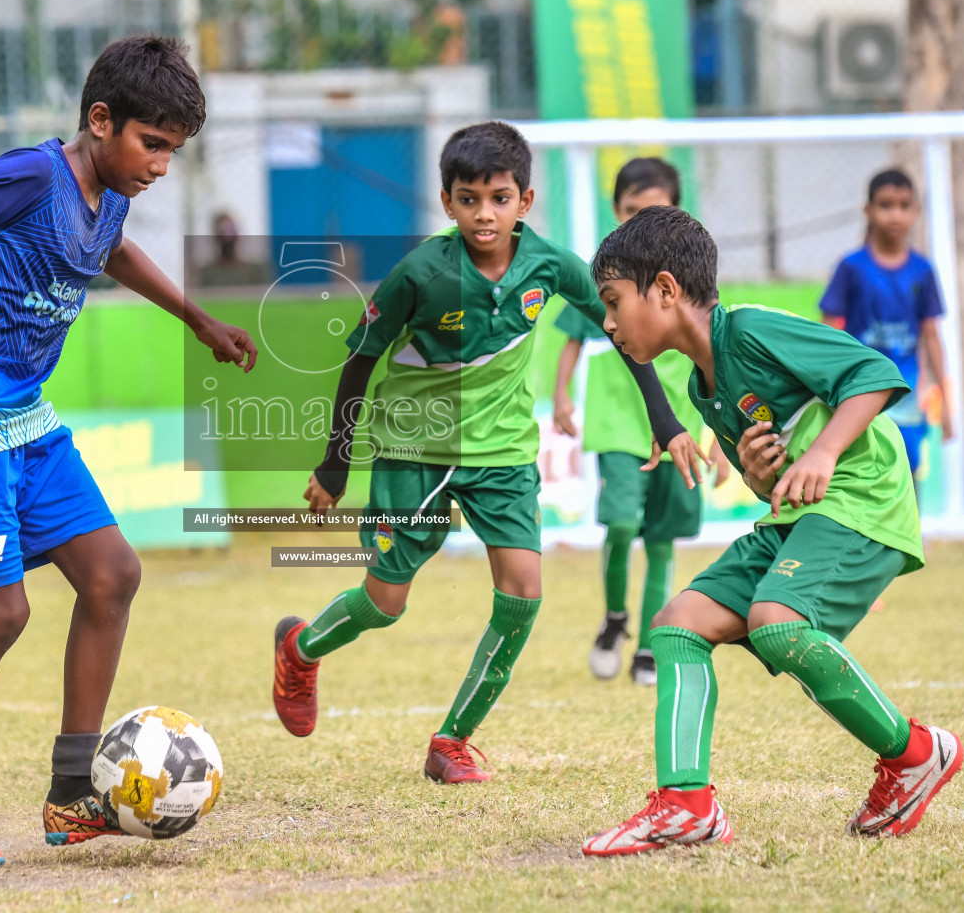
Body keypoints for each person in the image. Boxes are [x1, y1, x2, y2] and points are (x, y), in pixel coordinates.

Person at [0, 36, 256, 870]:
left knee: (113, 573)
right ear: (99, 120)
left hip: (21, 416)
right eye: (150, 144)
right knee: (2, 614)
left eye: (173, 151)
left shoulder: (109, 190)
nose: (159, 165)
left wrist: (198, 320)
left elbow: (111, 250)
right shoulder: (33, 174)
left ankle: (72, 792)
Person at [270, 122, 704, 785]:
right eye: (469, 199)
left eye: (499, 198)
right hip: (413, 450)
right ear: (448, 203)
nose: (484, 213)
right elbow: (359, 361)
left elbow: (620, 332)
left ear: (524, 202)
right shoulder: (419, 273)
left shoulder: (552, 266)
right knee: (385, 603)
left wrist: (666, 418)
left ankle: (453, 740)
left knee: (524, 593)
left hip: (502, 454)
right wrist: (335, 464)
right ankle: (301, 651)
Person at [580, 205, 962, 855]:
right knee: (677, 626)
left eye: (614, 302)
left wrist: (823, 453)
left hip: (862, 499)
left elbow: (873, 375)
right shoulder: (705, 389)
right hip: (799, 513)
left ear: (667, 290)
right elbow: (773, 483)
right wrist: (763, 474)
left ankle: (918, 753)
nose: (610, 323)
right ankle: (686, 806)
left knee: (776, 621)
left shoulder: (753, 331)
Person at [551, 157, 729, 686]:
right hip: (617, 424)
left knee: (660, 539)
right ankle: (614, 620)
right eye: (633, 211)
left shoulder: (689, 285)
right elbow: (574, 336)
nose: (642, 221)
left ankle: (651, 646)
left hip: (677, 427)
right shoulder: (605, 279)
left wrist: (719, 437)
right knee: (623, 523)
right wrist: (561, 395)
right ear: (616, 212)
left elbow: (715, 359)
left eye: (656, 210)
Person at [819, 169, 952, 490]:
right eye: (886, 204)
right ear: (868, 210)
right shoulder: (851, 267)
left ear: (916, 212)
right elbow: (828, 332)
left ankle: (909, 540)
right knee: (857, 475)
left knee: (905, 472)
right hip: (855, 394)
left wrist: (947, 403)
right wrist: (824, 390)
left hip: (904, 395)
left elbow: (931, 335)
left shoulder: (922, 271)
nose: (896, 214)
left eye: (904, 205)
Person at [197, 211, 270, 287]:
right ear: (215, 237)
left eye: (231, 232)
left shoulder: (256, 270)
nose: (227, 239)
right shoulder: (207, 273)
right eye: (222, 233)